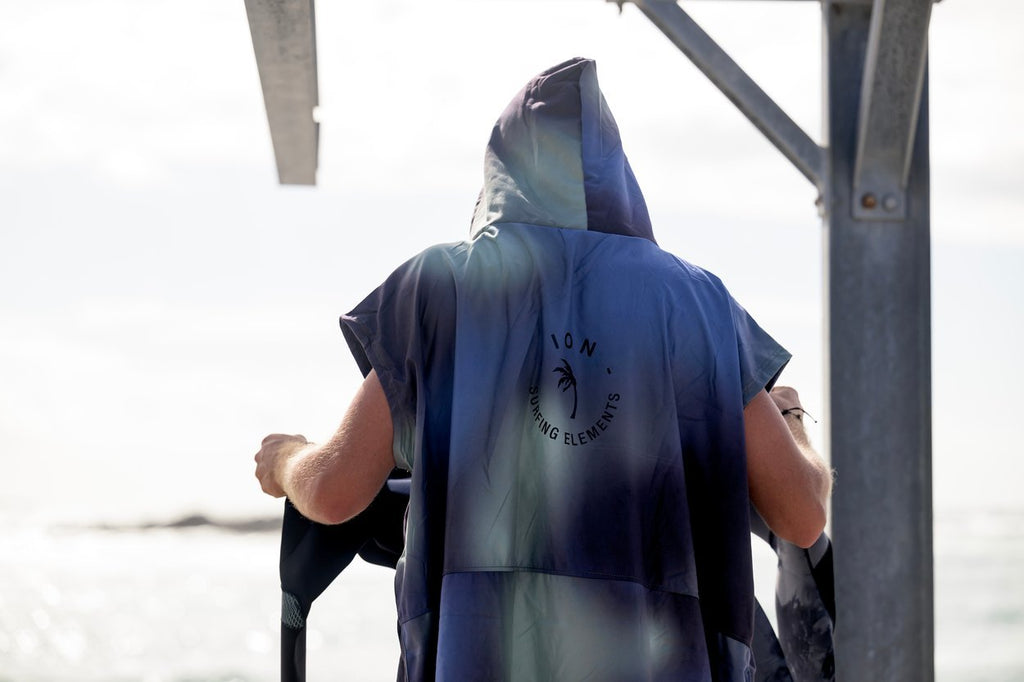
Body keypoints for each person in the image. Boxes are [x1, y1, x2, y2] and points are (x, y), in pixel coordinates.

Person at [255, 57, 831, 681]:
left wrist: (287, 459)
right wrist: (790, 417)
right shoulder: (698, 305)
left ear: (499, 175)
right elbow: (802, 515)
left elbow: (335, 492)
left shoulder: (440, 292)